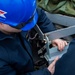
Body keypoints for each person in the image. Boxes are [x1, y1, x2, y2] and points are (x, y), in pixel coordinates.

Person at [0, 0, 67, 75]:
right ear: (1, 23)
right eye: (22, 25)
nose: (29, 25)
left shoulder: (22, 12)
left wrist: (53, 36)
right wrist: (46, 73)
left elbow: (39, 15)